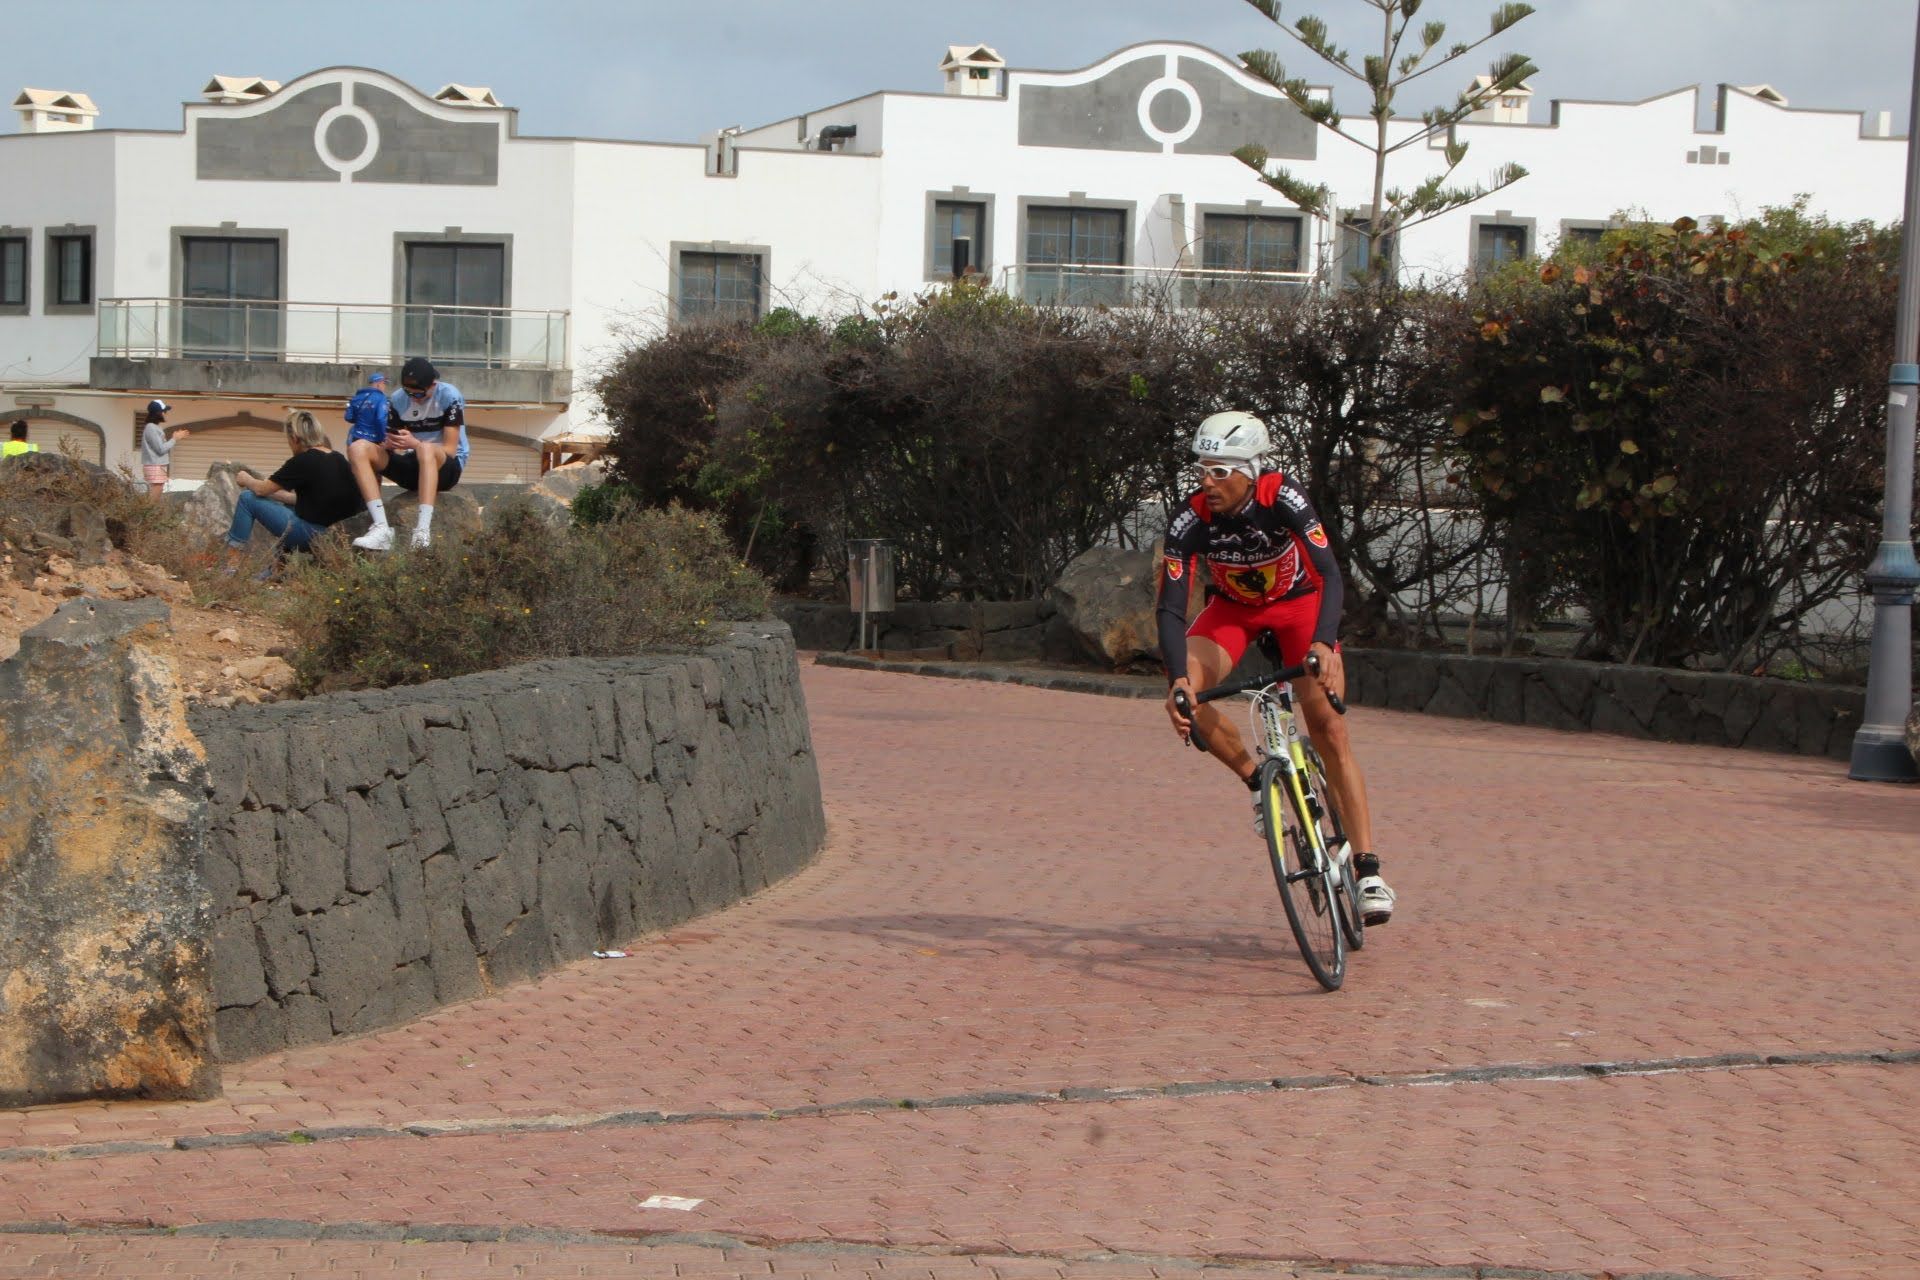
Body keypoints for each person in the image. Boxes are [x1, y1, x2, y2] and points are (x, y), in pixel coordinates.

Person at [1157, 410, 1395, 925]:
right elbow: (1172, 608)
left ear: (1250, 470)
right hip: (1232, 612)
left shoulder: (1283, 496)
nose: (1207, 482)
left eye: (1220, 471)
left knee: (1328, 726)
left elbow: (1331, 573)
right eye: (1203, 470)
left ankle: (1368, 868)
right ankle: (1258, 786)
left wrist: (1325, 644)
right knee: (1185, 700)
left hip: (1298, 607)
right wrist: (1179, 676)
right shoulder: (1190, 518)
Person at [349, 356, 467, 551]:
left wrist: (416, 443)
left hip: (445, 467)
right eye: (408, 392)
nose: (413, 398)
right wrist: (387, 443)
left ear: (433, 385)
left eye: (419, 394)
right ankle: (381, 528)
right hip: (414, 464)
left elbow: (450, 450)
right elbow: (394, 446)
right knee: (358, 447)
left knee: (426, 448)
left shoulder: (449, 396)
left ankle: (422, 531)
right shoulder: (397, 399)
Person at [225, 409, 364, 565]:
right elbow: (301, 499)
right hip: (335, 535)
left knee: (247, 499)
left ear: (295, 438)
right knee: (290, 507)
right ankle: (275, 569)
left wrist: (247, 479)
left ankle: (231, 564)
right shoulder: (338, 458)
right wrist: (272, 494)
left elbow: (260, 490)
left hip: (308, 535)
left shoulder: (303, 460)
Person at [140, 399, 189, 498]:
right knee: (155, 493)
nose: (166, 414)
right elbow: (161, 449)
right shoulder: (151, 428)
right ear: (158, 413)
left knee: (158, 490)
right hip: (155, 465)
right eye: (164, 412)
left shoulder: (155, 427)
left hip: (157, 465)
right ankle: (147, 513)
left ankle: (149, 512)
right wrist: (175, 438)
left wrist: (174, 438)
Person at [344, 371, 391, 448]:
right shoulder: (381, 398)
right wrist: (383, 438)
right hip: (373, 439)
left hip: (356, 437)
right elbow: (381, 419)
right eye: (384, 383)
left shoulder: (356, 397)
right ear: (378, 384)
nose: (385, 386)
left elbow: (348, 417)